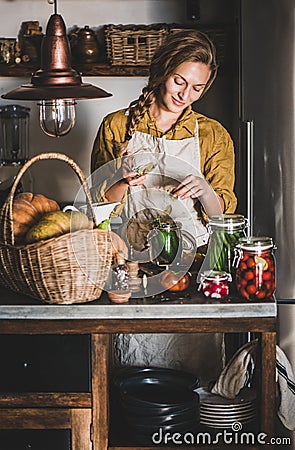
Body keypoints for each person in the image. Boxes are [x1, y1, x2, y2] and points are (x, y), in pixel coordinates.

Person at [91, 29, 237, 382]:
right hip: (131, 275)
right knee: (131, 376)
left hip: (190, 277)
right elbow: (97, 211)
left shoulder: (213, 134)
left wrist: (204, 189)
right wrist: (122, 181)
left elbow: (223, 217)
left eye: (197, 88)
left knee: (195, 383)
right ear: (161, 72)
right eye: (179, 82)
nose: (186, 95)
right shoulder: (116, 126)